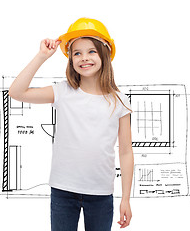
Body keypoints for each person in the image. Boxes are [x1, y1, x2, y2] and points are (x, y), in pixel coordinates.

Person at [9, 17, 134, 231]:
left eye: (91, 51)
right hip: (63, 191)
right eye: (77, 53)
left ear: (105, 54)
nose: (84, 58)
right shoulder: (62, 91)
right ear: (70, 59)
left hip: (101, 193)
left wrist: (126, 199)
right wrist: (42, 57)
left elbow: (126, 152)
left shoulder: (120, 101)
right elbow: (16, 92)